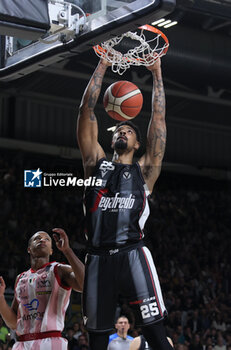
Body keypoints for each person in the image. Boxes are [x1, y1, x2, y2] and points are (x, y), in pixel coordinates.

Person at [77, 57, 172, 350]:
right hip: (97, 258)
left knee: (156, 335)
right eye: (119, 130)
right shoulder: (95, 164)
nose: (122, 131)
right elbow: (85, 111)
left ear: (137, 144)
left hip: (133, 253)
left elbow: (158, 120)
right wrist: (103, 65)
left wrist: (156, 73)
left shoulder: (145, 171)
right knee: (95, 341)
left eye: (129, 131)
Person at [0, 228, 85, 350]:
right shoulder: (21, 278)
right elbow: (13, 322)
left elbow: (84, 285)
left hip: (50, 341)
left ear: (51, 251)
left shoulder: (59, 269)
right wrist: (1, 298)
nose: (42, 240)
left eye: (47, 239)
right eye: (37, 238)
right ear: (29, 249)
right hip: (22, 343)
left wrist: (67, 251)